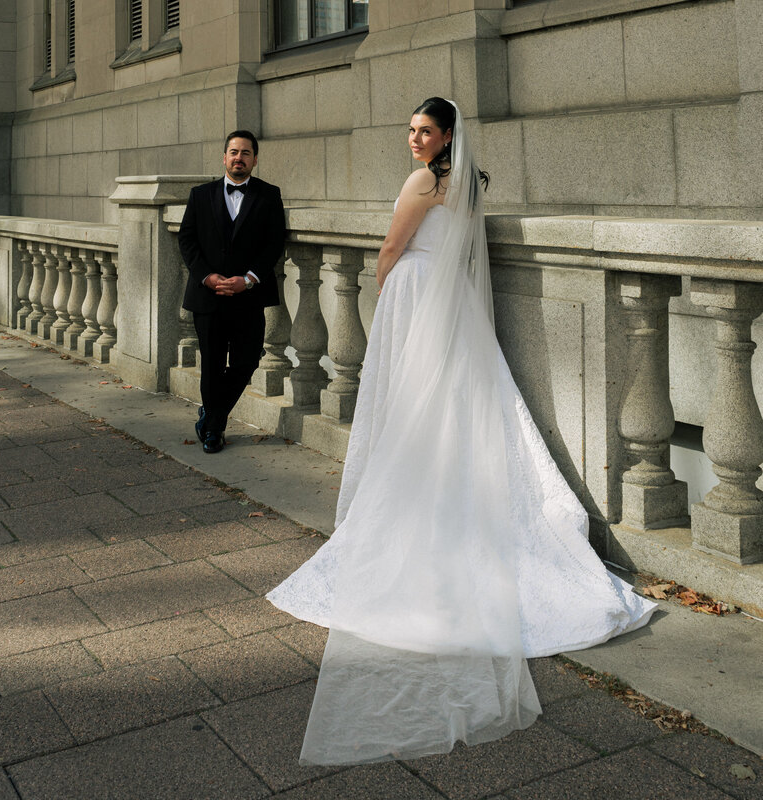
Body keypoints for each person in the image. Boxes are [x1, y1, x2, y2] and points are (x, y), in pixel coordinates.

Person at [267, 97, 655, 764]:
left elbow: (393, 245)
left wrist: (384, 288)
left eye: (424, 131)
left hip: (417, 297)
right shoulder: (467, 184)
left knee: (413, 419)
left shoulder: (425, 182)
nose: (414, 140)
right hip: (451, 312)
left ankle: (413, 527)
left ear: (447, 136)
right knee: (451, 416)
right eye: (411, 130)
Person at [178, 130, 285, 453]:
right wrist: (207, 277)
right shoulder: (200, 195)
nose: (239, 158)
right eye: (234, 152)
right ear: (224, 157)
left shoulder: (269, 195)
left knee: (248, 360)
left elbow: (274, 243)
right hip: (208, 297)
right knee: (211, 364)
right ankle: (214, 430)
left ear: (255, 159)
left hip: (249, 296)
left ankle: (211, 412)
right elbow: (187, 239)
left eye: (246, 153)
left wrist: (249, 278)